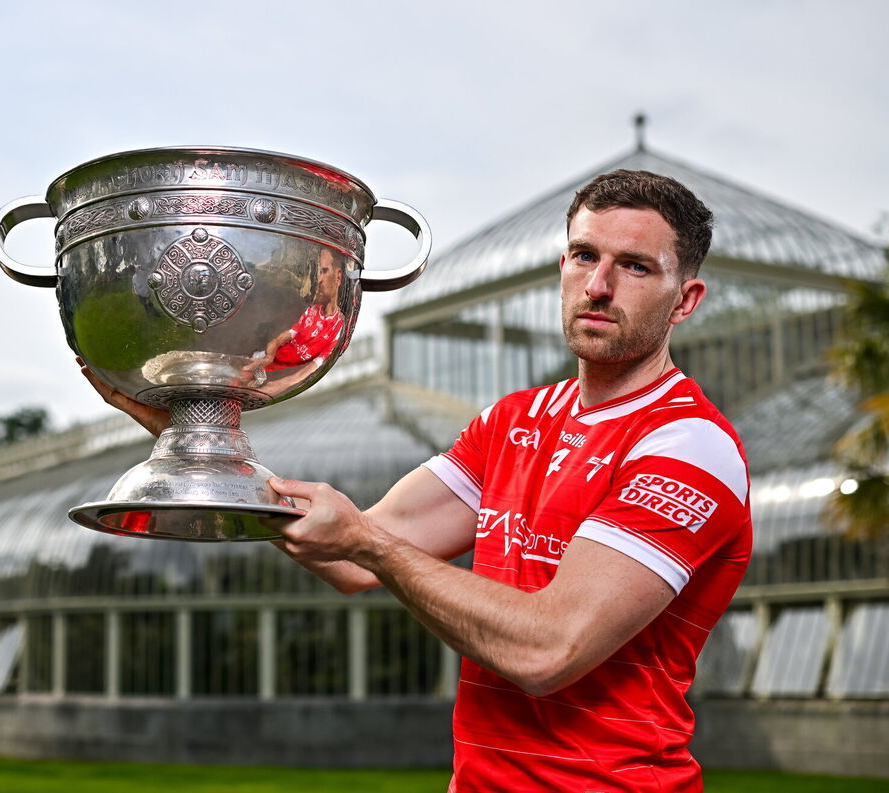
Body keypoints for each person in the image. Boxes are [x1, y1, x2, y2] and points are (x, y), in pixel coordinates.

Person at [81, 169, 752, 793]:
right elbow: (350, 556)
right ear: (563, 266)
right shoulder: (514, 421)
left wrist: (371, 546)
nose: (599, 285)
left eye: (635, 266)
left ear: (685, 299)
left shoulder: (688, 445)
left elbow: (550, 648)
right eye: (584, 255)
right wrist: (194, 442)